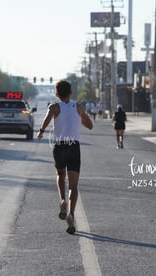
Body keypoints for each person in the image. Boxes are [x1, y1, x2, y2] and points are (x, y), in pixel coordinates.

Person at [37, 80, 93, 234]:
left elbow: (47, 119)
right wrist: (79, 117)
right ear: (71, 93)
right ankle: (72, 213)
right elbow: (90, 125)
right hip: (74, 147)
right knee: (74, 186)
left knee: (60, 175)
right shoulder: (78, 107)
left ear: (56, 94)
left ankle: (62, 200)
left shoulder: (54, 107)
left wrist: (41, 131)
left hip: (60, 146)